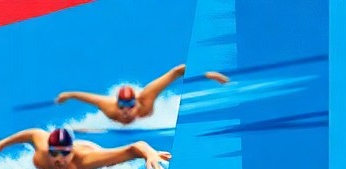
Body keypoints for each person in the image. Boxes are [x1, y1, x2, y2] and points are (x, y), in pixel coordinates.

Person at [56, 64, 230, 124]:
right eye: (122, 106)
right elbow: (84, 96)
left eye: (129, 105)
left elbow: (177, 71)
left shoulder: (146, 98)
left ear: (136, 102)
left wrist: (208, 74)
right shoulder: (109, 108)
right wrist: (68, 95)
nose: (125, 110)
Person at [0, 127, 169, 169]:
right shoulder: (43, 148)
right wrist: (1, 145)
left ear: (71, 151)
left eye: (64, 153)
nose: (58, 159)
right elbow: (31, 133)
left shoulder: (86, 161)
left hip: (91, 149)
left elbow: (134, 147)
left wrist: (149, 153)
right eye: (54, 152)